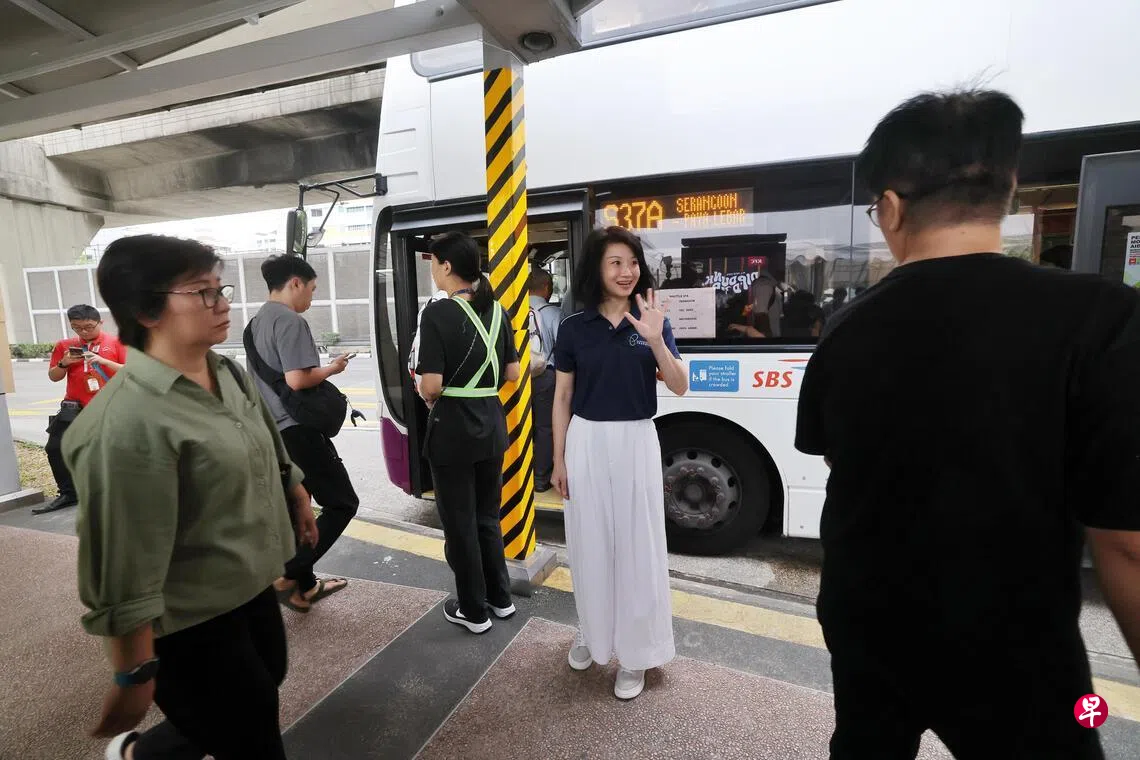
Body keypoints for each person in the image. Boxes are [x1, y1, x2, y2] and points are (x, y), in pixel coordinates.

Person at [795, 90, 1140, 759]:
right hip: (1017, 642)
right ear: (1008, 189)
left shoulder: (846, 329)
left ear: (890, 207)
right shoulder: (1100, 316)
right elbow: (1124, 539)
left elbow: (840, 460)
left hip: (868, 621)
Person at [65, 234, 318, 760]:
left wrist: (295, 491)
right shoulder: (125, 423)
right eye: (202, 292)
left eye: (219, 288)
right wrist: (134, 672)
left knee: (265, 679)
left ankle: (142, 755)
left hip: (249, 579)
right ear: (146, 310)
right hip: (189, 616)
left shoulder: (225, 372)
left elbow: (265, 439)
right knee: (251, 733)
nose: (222, 303)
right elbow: (123, 561)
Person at [552, 226, 688, 700]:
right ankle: (592, 632)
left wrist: (656, 341)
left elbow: (679, 385)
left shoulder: (651, 320)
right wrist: (558, 459)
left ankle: (637, 653)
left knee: (637, 547)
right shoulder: (574, 327)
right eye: (615, 262)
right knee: (589, 543)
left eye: (632, 263)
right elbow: (562, 397)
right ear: (597, 268)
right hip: (586, 440)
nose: (627, 271)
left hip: (636, 439)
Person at [415, 231, 520, 634]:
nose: (432, 271)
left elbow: (432, 385)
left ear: (446, 266)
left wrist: (425, 392)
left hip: (453, 430)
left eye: (433, 263)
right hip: (491, 423)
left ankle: (473, 612)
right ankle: (501, 599)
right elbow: (512, 372)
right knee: (487, 517)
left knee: (460, 524)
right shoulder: (497, 311)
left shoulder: (437, 313)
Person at [249, 255, 360, 613]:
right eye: (312, 288)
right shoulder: (289, 320)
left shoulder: (255, 324)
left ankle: (305, 588)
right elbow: (298, 380)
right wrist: (333, 368)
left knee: (299, 508)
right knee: (342, 503)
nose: (312, 296)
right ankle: (289, 574)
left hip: (272, 432)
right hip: (298, 430)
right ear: (295, 282)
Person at [35, 304, 126, 514]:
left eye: (88, 327)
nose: (83, 332)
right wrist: (64, 363)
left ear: (100, 322)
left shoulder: (117, 343)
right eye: (77, 327)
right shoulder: (65, 345)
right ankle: (69, 494)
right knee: (55, 448)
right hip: (73, 407)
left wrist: (103, 361)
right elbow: (54, 377)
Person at [528, 267, 561, 492]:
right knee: (544, 427)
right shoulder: (552, 313)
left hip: (516, 377)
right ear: (547, 287)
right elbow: (564, 346)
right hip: (545, 376)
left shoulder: (512, 309)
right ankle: (540, 478)